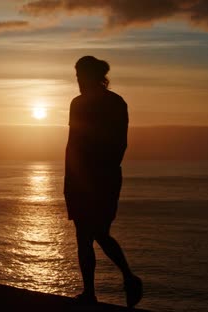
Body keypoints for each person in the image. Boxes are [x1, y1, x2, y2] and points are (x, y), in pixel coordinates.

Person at [64, 56, 142, 308]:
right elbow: (72, 142)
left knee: (97, 232)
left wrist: (100, 172)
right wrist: (70, 179)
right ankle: (91, 292)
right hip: (80, 178)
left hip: (102, 177)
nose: (77, 81)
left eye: (80, 75)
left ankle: (129, 278)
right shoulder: (77, 103)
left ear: (94, 77)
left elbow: (120, 142)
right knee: (84, 236)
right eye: (76, 75)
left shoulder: (115, 103)